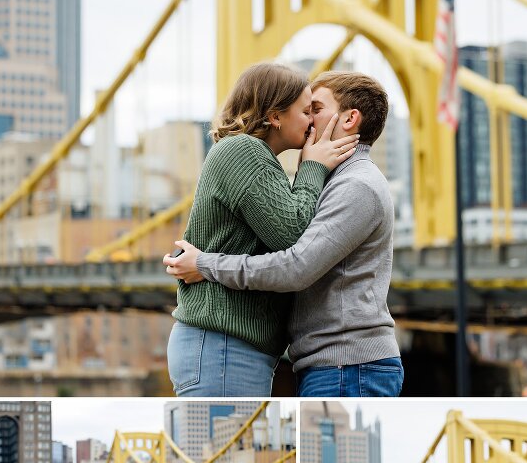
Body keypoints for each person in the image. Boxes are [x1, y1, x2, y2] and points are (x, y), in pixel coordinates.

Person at [165, 71, 403, 397]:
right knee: (224, 448)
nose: (309, 121)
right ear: (275, 115)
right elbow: (294, 239)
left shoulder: (355, 185)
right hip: (230, 346)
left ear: (350, 118)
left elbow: (296, 261)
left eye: (315, 109)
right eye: (305, 111)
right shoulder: (247, 153)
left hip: (343, 364)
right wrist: (312, 167)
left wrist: (206, 264)